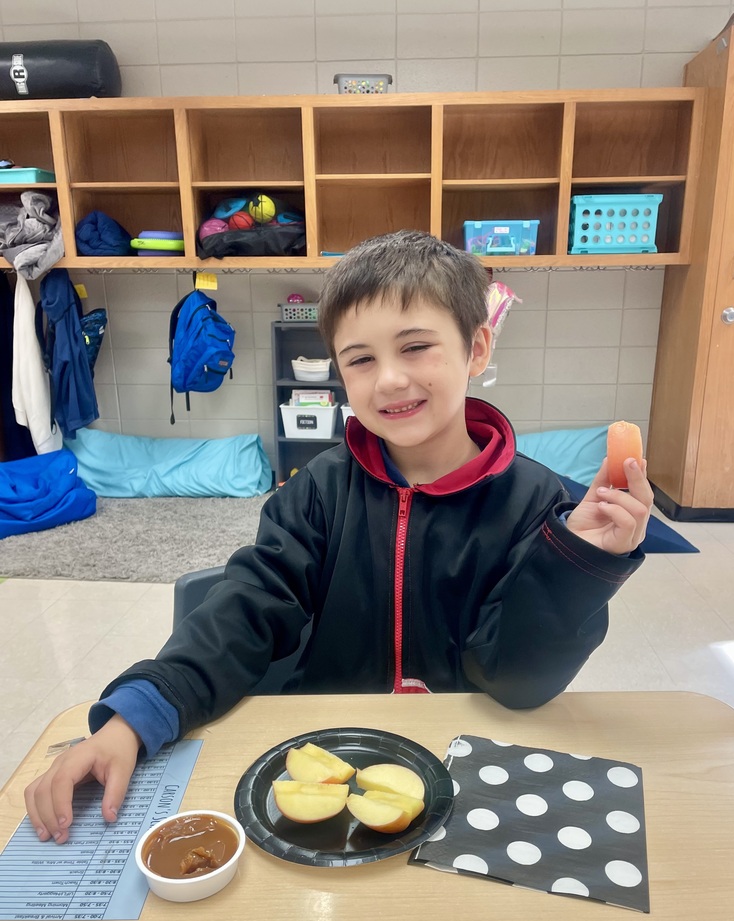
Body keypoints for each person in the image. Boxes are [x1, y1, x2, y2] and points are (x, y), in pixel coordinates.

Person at [25, 230, 653, 844]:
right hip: (330, 763)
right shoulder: (319, 489)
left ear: (477, 349)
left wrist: (578, 562)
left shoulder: (541, 505)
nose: (388, 381)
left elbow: (518, 683)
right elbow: (245, 610)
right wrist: (134, 719)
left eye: (415, 348)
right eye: (361, 359)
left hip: (465, 763)